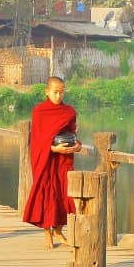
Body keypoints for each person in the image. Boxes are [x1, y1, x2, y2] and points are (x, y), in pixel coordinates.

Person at [22, 76, 82, 249]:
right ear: (47, 92)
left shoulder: (69, 112)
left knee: (65, 194)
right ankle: (47, 233)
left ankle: (58, 230)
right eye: (55, 92)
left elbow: (72, 134)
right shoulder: (39, 111)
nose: (58, 96)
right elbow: (38, 139)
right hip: (47, 160)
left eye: (61, 92)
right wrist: (54, 149)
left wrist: (77, 146)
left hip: (64, 160)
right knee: (48, 194)